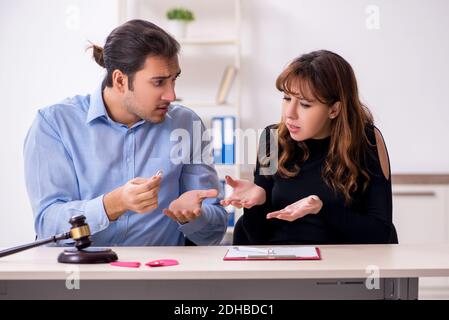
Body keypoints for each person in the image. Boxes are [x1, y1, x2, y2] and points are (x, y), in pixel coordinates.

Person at [24, 20, 228, 246]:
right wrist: (113, 204)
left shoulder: (186, 123)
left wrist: (195, 216)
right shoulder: (55, 124)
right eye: (159, 82)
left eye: (174, 79)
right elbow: (47, 224)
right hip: (84, 274)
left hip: (163, 275)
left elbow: (214, 233)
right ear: (120, 80)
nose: (171, 95)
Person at [221, 50, 398, 245]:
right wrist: (257, 203)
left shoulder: (367, 140)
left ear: (334, 109)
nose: (289, 113)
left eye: (305, 104)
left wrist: (321, 208)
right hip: (284, 267)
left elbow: (380, 233)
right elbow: (258, 238)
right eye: (287, 98)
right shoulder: (271, 139)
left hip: (343, 268)